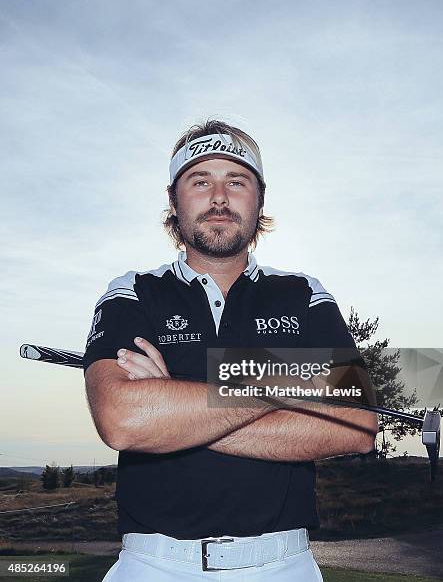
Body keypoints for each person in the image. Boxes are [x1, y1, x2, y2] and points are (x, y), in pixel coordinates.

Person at [83, 119, 378, 581]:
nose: (219, 197)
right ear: (173, 200)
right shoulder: (132, 292)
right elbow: (122, 420)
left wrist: (172, 401)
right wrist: (291, 384)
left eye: (236, 182)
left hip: (284, 565)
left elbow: (357, 424)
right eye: (200, 181)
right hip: (153, 565)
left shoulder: (304, 293)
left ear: (259, 199)